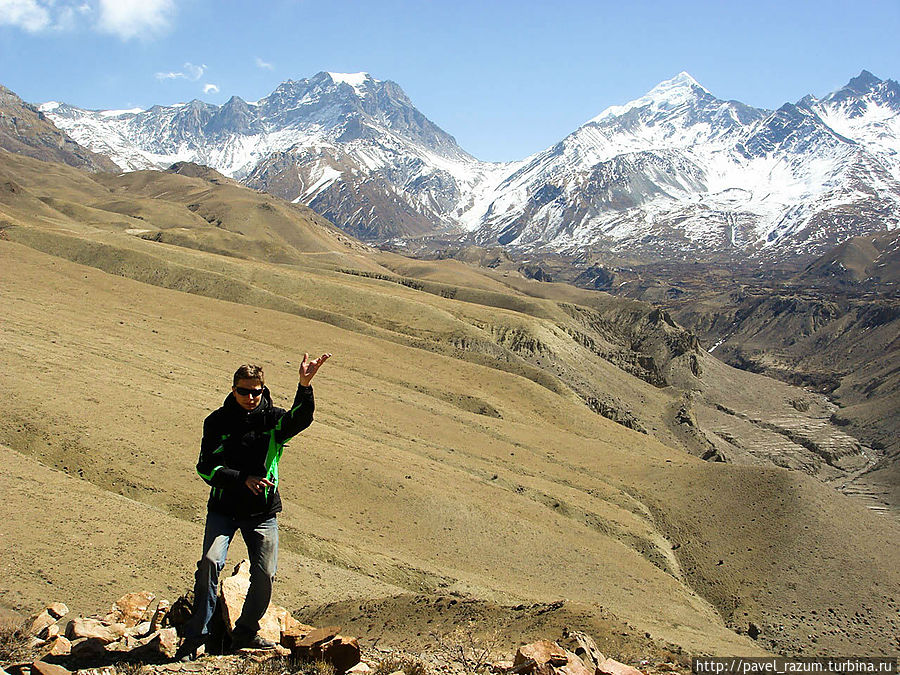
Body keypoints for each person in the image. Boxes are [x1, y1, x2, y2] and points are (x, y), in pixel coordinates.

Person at [175, 352, 331, 660]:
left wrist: (304, 385)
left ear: (263, 390)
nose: (250, 397)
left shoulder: (272, 421)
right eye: (243, 391)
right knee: (210, 562)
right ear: (233, 389)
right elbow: (206, 467)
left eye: (255, 392)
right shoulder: (217, 422)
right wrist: (241, 479)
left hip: (262, 512)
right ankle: (198, 634)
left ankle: (245, 632)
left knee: (264, 573)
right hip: (224, 508)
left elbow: (300, 419)